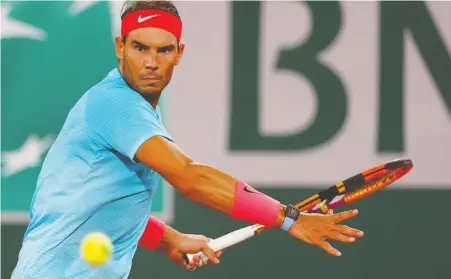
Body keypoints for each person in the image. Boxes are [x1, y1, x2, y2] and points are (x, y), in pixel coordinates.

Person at [11, 1, 364, 278]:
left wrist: (168, 240)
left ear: (179, 53)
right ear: (120, 47)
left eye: (163, 50)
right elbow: (191, 178)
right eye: (139, 48)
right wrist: (289, 218)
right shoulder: (116, 104)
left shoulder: (137, 108)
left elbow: (103, 204)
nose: (151, 62)